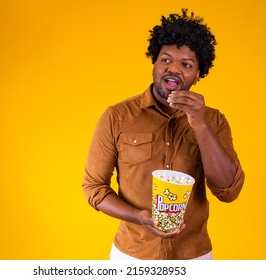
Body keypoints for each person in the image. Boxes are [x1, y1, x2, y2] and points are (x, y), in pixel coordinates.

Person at [82, 8, 245, 260]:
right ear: (154, 63)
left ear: (198, 74)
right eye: (166, 60)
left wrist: (200, 125)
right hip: (131, 256)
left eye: (186, 64)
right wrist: (139, 218)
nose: (174, 69)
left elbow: (228, 191)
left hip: (194, 257)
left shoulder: (213, 120)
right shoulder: (117, 117)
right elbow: (94, 189)